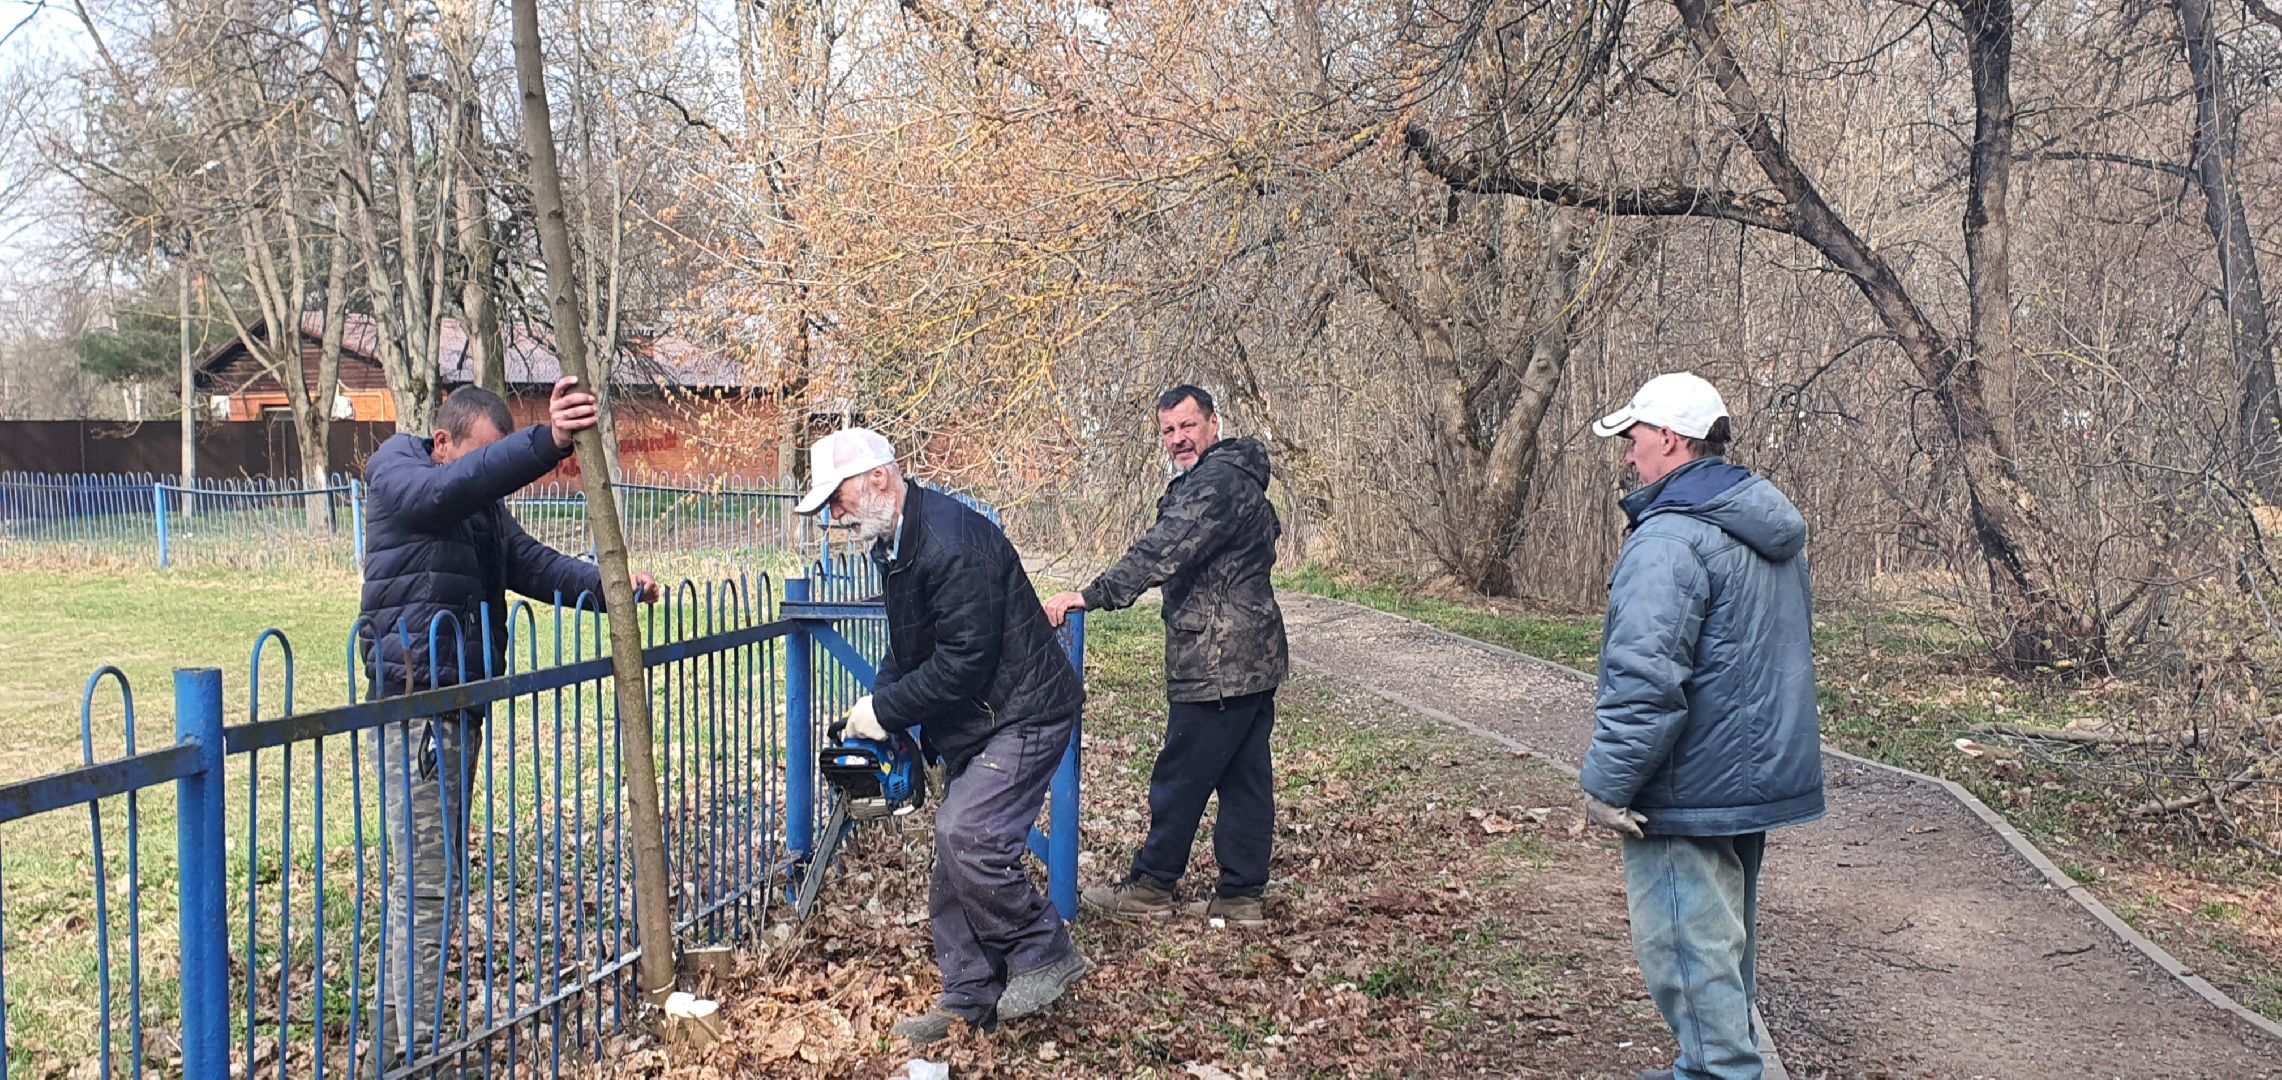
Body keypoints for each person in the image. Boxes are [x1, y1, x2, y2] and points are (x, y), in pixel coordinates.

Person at [359, 379, 661, 1074]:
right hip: (416, 706)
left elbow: (532, 564)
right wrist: (547, 441)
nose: (484, 480)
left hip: (454, 706)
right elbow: (449, 491)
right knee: (428, 885)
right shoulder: (401, 473)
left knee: (422, 883)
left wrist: (611, 585)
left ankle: (394, 1054)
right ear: (444, 444)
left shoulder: (478, 510)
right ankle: (430, 1056)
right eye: (478, 462)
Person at [795, 427, 1090, 1046]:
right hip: (984, 714)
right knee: (954, 848)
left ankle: (1044, 947)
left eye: (839, 498)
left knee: (969, 833)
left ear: (879, 478)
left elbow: (963, 663)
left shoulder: (952, 544)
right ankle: (969, 993)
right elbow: (910, 646)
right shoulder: (896, 540)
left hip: (1023, 710)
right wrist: (875, 705)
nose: (836, 514)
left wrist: (888, 712)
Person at [1580, 373, 1825, 1080]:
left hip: (1687, 784)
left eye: (1633, 440)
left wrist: (1608, 784)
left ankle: (1719, 1072)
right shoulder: (1761, 525)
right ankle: (1709, 1064)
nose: (1629, 456)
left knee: (1686, 945)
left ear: (1669, 439)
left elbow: (1646, 679)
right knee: (1724, 945)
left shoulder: (1671, 540)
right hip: (1750, 777)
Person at [1045, 385, 1287, 927]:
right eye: (1168, 431)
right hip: (1252, 656)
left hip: (1219, 659)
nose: (1178, 439)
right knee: (1246, 776)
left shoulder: (1217, 484)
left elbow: (1163, 549)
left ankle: (1153, 883)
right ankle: (1241, 894)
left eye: (1188, 426)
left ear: (1213, 424)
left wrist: (1092, 595)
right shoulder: (1234, 478)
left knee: (1181, 775)